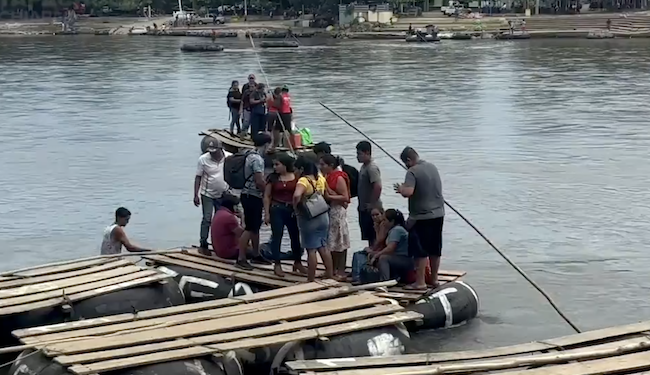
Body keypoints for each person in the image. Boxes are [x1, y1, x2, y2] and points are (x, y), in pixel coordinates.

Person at [395, 146, 445, 289]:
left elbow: (409, 192)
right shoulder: (432, 167)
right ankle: (434, 279)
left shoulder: (412, 171)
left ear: (409, 160)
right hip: (439, 213)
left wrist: (401, 189)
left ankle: (420, 282)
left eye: (406, 163)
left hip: (422, 217)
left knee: (420, 250)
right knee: (435, 248)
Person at [264, 153, 306, 277]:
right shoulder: (273, 178)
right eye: (274, 165)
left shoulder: (296, 176)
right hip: (277, 208)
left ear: (285, 165)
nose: (275, 167)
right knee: (277, 236)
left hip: (292, 210)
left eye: (277, 164)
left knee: (295, 236)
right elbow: (267, 196)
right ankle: (277, 264)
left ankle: (297, 261)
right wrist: (266, 213)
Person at [293, 156, 333, 282]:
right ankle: (329, 273)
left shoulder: (303, 181)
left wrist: (295, 207)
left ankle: (310, 279)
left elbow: (296, 195)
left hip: (309, 217)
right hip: (322, 214)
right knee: (323, 246)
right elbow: (326, 194)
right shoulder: (320, 177)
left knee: (311, 249)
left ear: (301, 169)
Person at [237, 133, 273, 270]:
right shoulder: (257, 159)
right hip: (252, 196)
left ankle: (256, 254)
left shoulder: (249, 154)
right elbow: (259, 181)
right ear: (265, 144)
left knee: (255, 227)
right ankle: (241, 258)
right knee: (250, 228)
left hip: (246, 194)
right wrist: (268, 193)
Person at [320, 154, 350, 280]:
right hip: (329, 211)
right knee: (331, 242)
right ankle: (331, 269)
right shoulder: (327, 176)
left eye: (323, 164)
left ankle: (341, 270)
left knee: (340, 241)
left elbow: (345, 197)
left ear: (330, 165)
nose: (320, 167)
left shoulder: (338, 178)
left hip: (338, 212)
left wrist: (329, 196)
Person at [194, 140, 228, 250]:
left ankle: (219, 243)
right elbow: (198, 177)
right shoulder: (203, 159)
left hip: (223, 194)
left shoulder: (229, 157)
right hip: (207, 194)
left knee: (221, 220)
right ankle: (203, 242)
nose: (212, 153)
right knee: (207, 219)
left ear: (220, 148)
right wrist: (196, 194)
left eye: (215, 151)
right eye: (211, 151)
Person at [369, 209, 413, 282]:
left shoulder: (397, 230)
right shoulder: (393, 230)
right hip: (399, 258)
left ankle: (384, 281)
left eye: (385, 220)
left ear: (392, 221)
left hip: (405, 259)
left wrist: (377, 255)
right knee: (373, 254)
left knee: (383, 258)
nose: (383, 223)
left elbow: (390, 248)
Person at [356, 141, 382, 247]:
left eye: (359, 154)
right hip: (364, 207)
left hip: (371, 209)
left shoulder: (372, 168)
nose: (357, 156)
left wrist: (372, 204)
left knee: (374, 236)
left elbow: (378, 186)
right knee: (369, 236)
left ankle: (375, 259)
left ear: (367, 153)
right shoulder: (364, 166)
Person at [351, 206, 386, 284]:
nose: (375, 217)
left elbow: (380, 240)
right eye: (373, 215)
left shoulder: (383, 225)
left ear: (382, 214)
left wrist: (377, 229)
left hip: (383, 251)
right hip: (378, 250)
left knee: (359, 255)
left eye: (377, 215)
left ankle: (357, 277)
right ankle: (356, 275)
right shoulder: (375, 225)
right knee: (359, 253)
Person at [211, 194, 244, 259]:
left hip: (219, 250)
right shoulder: (230, 217)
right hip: (229, 252)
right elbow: (242, 234)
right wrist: (243, 218)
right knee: (256, 251)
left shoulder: (219, 212)